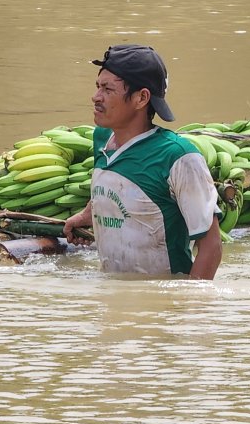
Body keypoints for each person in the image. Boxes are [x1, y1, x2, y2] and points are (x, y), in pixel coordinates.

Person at [63, 44, 223, 279]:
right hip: (112, 300)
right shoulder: (102, 139)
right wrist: (90, 214)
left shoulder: (178, 158)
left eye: (108, 89)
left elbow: (211, 247)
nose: (96, 97)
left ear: (141, 98)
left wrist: (190, 308)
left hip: (162, 303)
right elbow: (117, 186)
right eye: (98, 86)